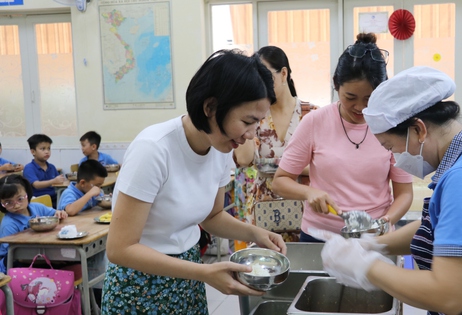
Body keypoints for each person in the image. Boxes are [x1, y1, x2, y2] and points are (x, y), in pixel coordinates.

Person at [314, 66, 462, 314]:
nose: (394, 156)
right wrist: (372, 246)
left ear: (419, 130)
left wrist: (364, 266)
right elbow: (440, 226)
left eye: (390, 146)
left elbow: (449, 296)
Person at [101, 49, 287, 314]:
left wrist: (254, 232)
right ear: (210, 107)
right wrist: (204, 272)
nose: (251, 134)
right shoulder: (153, 149)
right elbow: (120, 249)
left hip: (187, 276)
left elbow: (212, 216)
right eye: (247, 121)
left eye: (257, 123)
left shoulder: (221, 147)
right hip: (140, 284)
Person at [271, 33, 413, 242]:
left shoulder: (393, 127)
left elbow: (405, 193)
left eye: (369, 99)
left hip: (375, 237)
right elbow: (280, 182)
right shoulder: (315, 122)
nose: (360, 107)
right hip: (320, 237)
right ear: (336, 84)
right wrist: (308, 192)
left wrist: (383, 222)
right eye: (350, 97)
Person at [233, 46, 315, 240]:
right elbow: (244, 159)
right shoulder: (256, 116)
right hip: (263, 211)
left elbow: (326, 166)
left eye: (266, 77)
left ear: (283, 73)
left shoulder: (312, 115)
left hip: (305, 210)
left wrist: (277, 165)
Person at [0, 174, 68, 273]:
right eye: (8, 202)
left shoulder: (36, 207)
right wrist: (51, 260)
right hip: (13, 262)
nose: (16, 205)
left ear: (27, 194)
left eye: (20, 199)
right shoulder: (9, 224)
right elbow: (14, 254)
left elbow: (53, 214)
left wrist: (59, 213)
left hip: (37, 253)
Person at [22, 134, 64, 207]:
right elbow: (37, 185)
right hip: (37, 202)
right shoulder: (29, 168)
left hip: (54, 199)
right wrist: (54, 181)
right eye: (43, 149)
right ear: (33, 152)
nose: (47, 152)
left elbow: (59, 183)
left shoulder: (51, 167)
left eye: (49, 148)